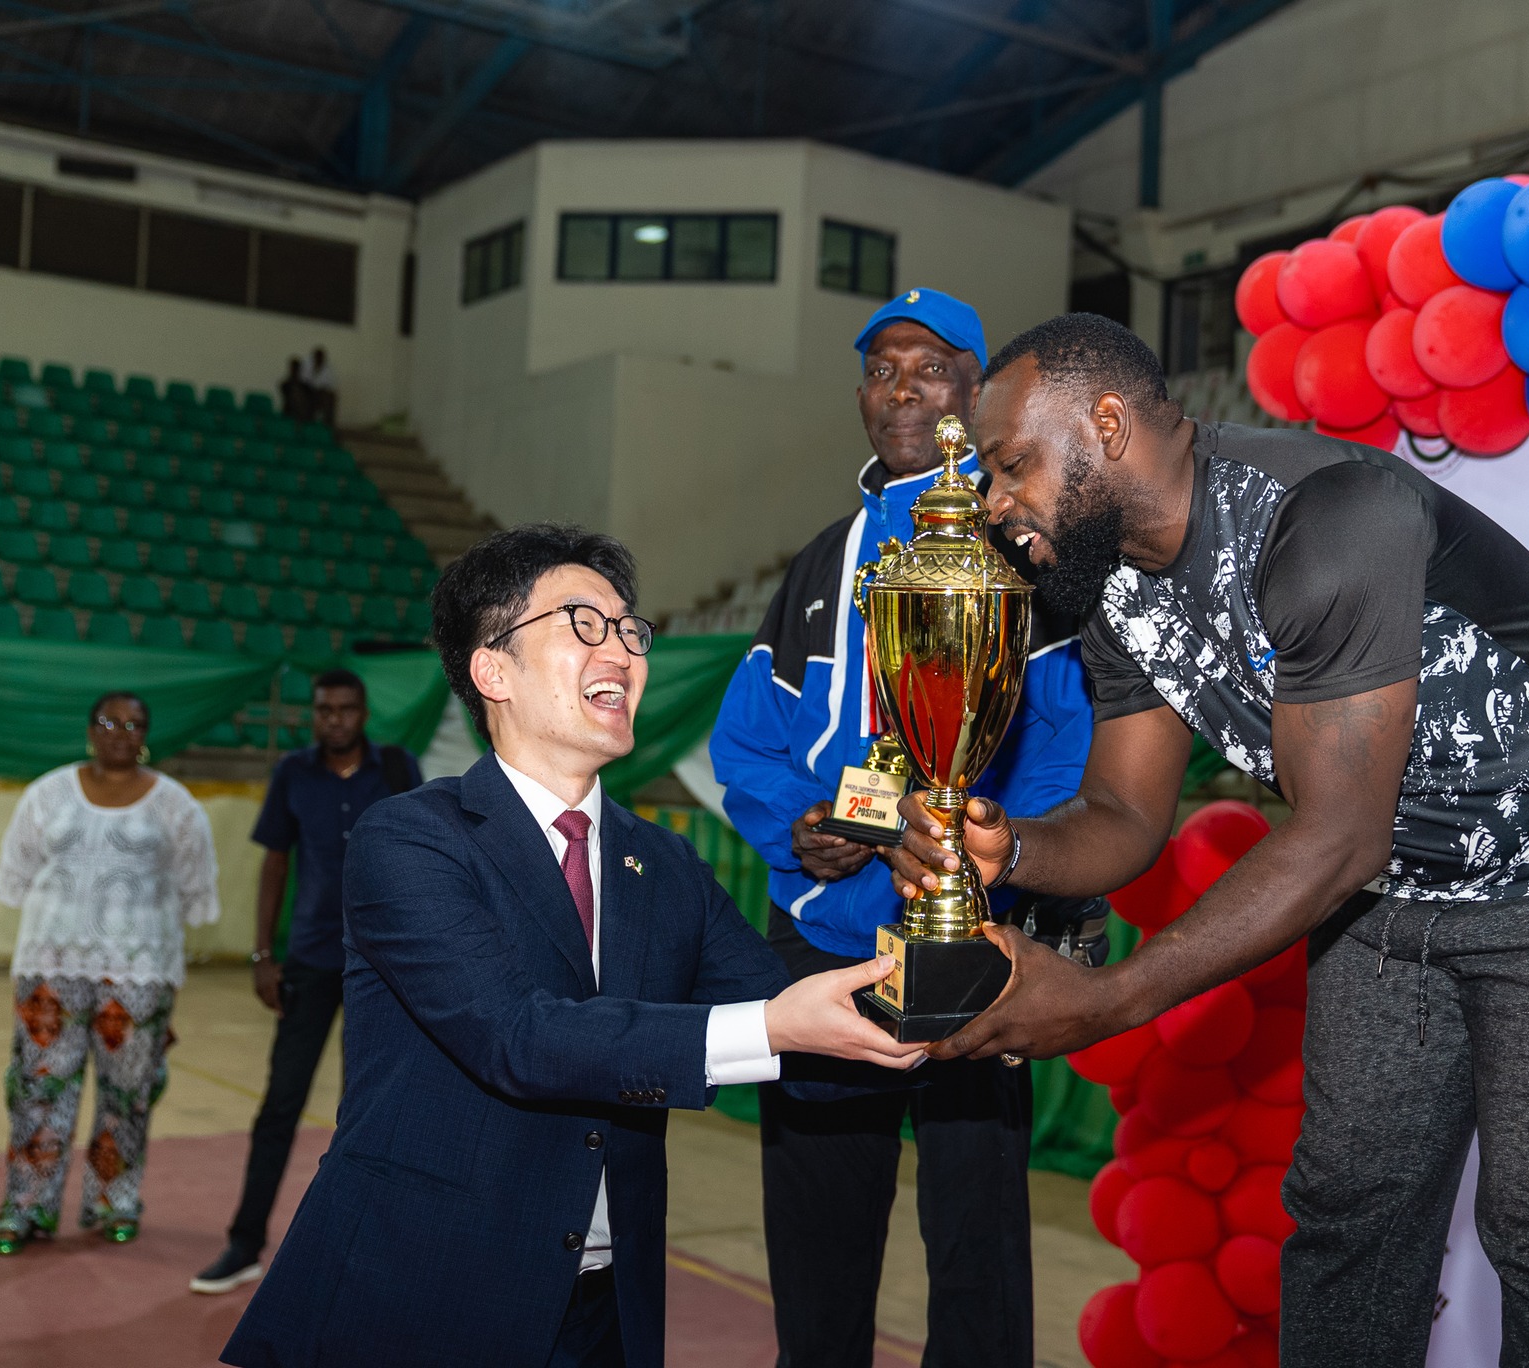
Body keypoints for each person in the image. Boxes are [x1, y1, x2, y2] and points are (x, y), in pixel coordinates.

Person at [887, 313, 1529, 1366]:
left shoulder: (1325, 516)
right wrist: (1007, 853)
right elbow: (1124, 816)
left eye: (1011, 467)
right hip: (1400, 882)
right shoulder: (1107, 583)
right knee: (1346, 1210)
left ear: (1104, 423)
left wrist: (1106, 998)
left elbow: (1332, 841)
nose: (996, 507)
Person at [222, 524, 925, 1368]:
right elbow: (519, 1037)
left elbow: (804, 1046)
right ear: (492, 670)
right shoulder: (409, 839)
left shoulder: (663, 863)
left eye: (630, 629)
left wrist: (944, 1016)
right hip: (419, 1290)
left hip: (604, 1313)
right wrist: (774, 1027)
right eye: (583, 623)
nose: (622, 650)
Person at [709, 286, 1095, 1368]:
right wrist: (802, 829)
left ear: (975, 391)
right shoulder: (819, 562)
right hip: (826, 935)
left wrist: (991, 857)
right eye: (881, 366)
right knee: (818, 1225)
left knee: (976, 1236)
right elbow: (748, 738)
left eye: (930, 365)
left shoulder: (1021, 551)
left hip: (971, 935)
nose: (901, 387)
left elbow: (1065, 745)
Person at [190, 669, 422, 1295]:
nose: (335, 719)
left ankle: (363, 1245)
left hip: (385, 968)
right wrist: (264, 954)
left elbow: (429, 860)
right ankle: (243, 1244)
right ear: (313, 714)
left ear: (363, 711)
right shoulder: (293, 774)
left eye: (346, 709)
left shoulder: (398, 771)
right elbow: (275, 862)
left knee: (367, 1110)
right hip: (313, 960)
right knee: (280, 1105)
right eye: (324, 710)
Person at [0, 691, 221, 1255]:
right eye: (109, 721)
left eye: (134, 722)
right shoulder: (47, 794)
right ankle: (26, 1207)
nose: (121, 730)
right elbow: (14, 875)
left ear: (147, 734)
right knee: (38, 1091)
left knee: (127, 1094)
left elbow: (197, 891)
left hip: (137, 975)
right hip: (51, 968)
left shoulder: (175, 806)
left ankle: (113, 1200)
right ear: (90, 729)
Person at [303, 347, 337, 428]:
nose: (318, 359)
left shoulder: (327, 370)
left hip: (320, 394)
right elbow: (304, 381)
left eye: (320, 358)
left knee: (330, 398)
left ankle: (327, 426)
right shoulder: (307, 366)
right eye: (317, 357)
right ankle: (306, 425)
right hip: (307, 392)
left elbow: (329, 385)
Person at [277, 357, 310, 424]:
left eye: (296, 369)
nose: (295, 371)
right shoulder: (285, 385)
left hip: (303, 414)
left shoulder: (305, 386)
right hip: (289, 412)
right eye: (293, 368)